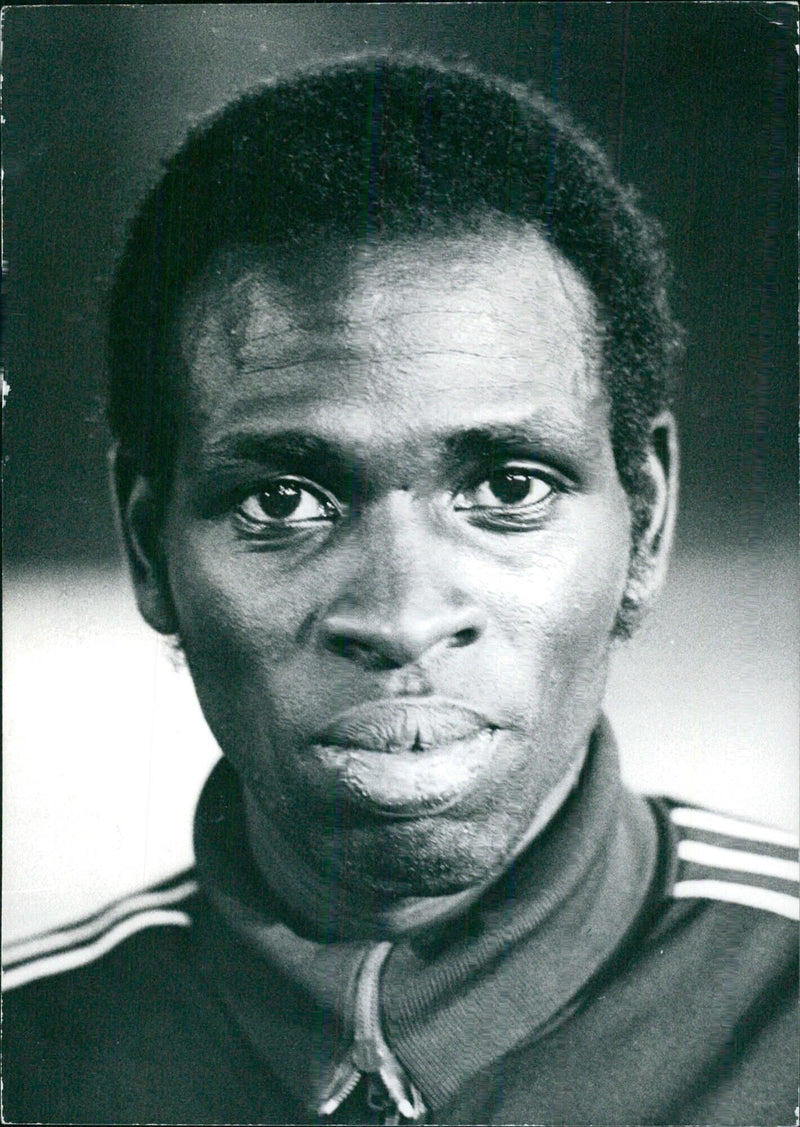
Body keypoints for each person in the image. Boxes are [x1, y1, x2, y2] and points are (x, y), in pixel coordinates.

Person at [2, 56, 797, 1126]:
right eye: (282, 501)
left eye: (507, 486)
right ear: (149, 549)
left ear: (644, 520)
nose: (403, 614)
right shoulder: (32, 1054)